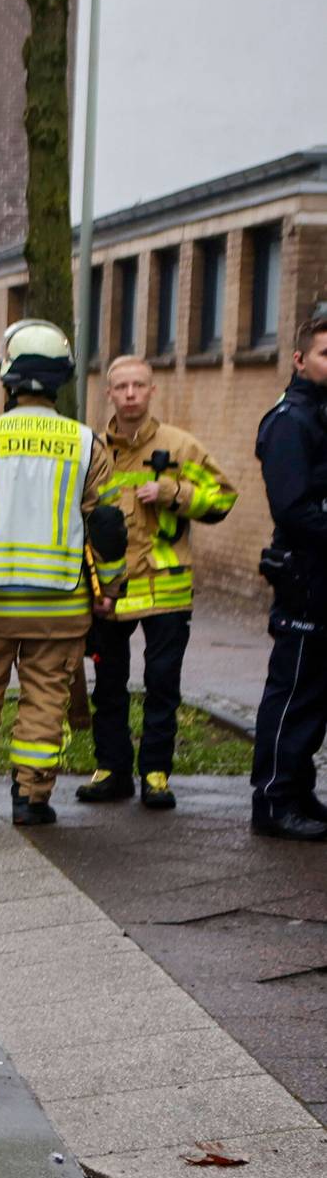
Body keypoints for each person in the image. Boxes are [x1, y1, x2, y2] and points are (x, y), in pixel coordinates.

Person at [0, 319, 127, 826]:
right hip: (59, 608)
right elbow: (107, 525)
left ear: (7, 376)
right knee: (45, 703)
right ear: (63, 378)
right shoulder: (86, 444)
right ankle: (31, 800)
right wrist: (110, 588)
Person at [76, 356, 236, 812]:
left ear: (152, 391)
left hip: (166, 590)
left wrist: (174, 493)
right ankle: (112, 770)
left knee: (162, 686)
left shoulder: (180, 447)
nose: (130, 394)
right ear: (109, 393)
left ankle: (155, 774)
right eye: (121, 386)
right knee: (108, 685)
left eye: (138, 386)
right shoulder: (92, 450)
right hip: (110, 591)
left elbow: (223, 498)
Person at [250, 315, 327, 840]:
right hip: (306, 576)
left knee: (314, 694)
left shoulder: (318, 415)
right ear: (299, 359)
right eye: (325, 354)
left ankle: (298, 791)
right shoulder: (289, 421)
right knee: (294, 689)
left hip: (322, 573)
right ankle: (274, 801)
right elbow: (294, 508)